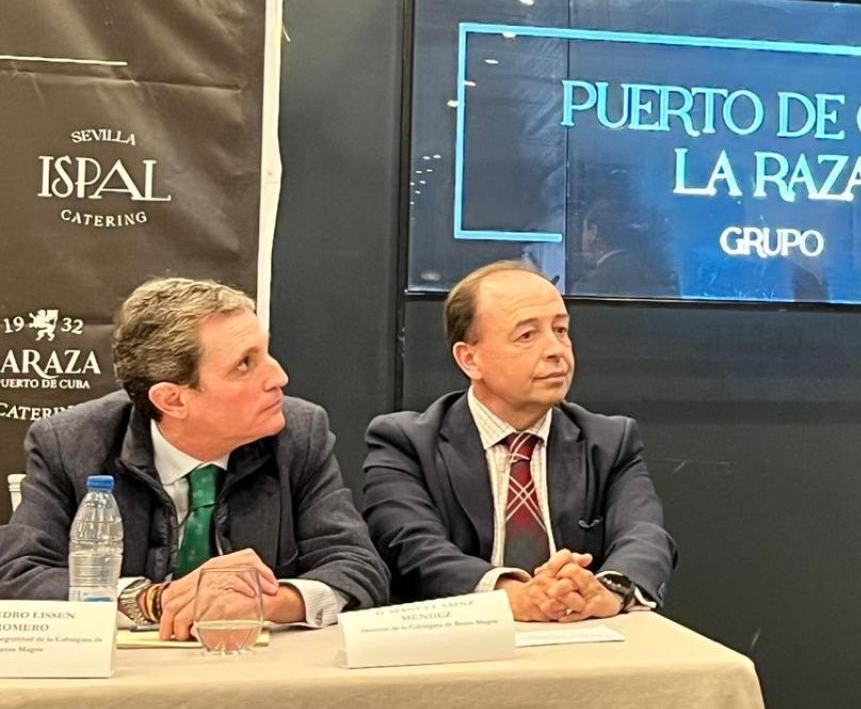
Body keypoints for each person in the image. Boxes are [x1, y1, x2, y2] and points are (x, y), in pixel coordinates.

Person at [0, 278, 389, 638]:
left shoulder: (299, 434)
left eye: (266, 352)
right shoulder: (70, 443)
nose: (279, 377)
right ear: (173, 399)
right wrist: (153, 600)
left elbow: (358, 566)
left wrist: (270, 600)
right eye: (244, 364)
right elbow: (18, 573)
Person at [363, 260, 674, 622]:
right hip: (458, 646)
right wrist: (511, 595)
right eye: (527, 335)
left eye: (561, 330)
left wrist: (603, 591)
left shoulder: (609, 442)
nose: (556, 350)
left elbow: (645, 534)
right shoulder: (405, 444)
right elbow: (414, 550)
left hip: (578, 640)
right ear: (469, 359)